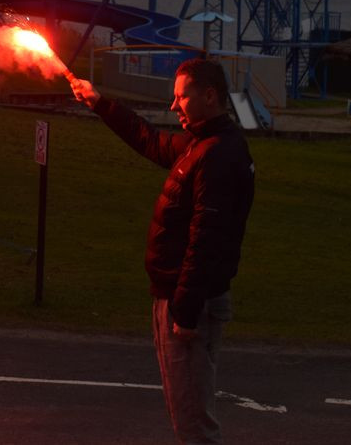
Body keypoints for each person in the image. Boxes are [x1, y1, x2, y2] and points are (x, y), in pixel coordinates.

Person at [70, 58, 255, 444]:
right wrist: (100, 102)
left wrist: (184, 314)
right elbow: (150, 141)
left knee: (194, 426)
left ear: (209, 96)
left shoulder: (218, 155)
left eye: (181, 97)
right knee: (186, 416)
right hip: (174, 298)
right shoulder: (201, 144)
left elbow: (207, 239)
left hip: (188, 306)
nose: (174, 106)